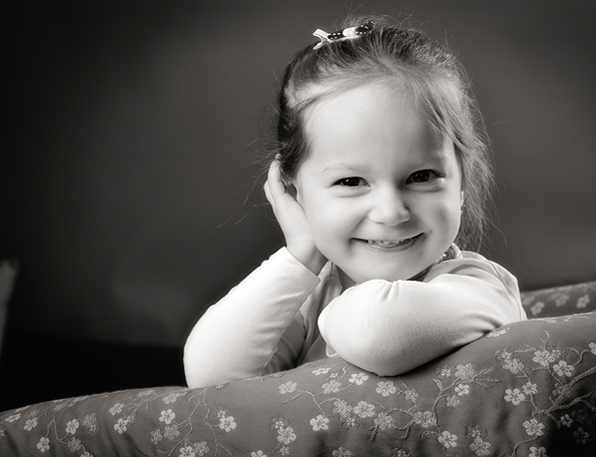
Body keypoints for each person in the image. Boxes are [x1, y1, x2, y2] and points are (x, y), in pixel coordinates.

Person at [183, 16, 526, 388]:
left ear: (461, 183)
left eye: (422, 176)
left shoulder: (480, 288)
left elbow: (378, 331)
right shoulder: (304, 299)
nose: (391, 213)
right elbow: (210, 376)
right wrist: (301, 255)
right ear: (295, 192)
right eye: (350, 181)